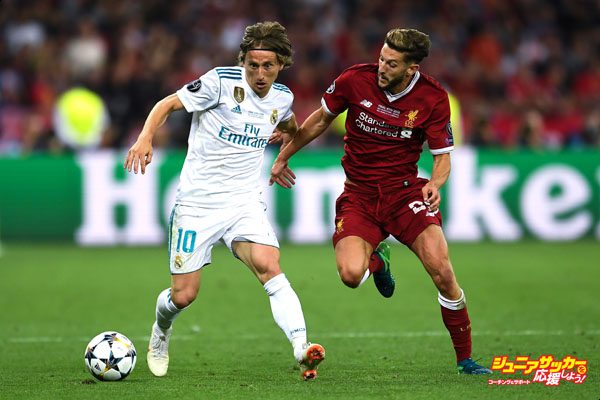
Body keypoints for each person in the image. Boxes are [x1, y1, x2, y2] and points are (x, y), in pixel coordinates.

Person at [270, 28, 492, 375]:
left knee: (442, 270)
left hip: (405, 194)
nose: (381, 68)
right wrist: (285, 155)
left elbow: (442, 155)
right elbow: (320, 120)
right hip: (358, 195)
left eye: (391, 63)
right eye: (381, 58)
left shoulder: (433, 98)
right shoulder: (354, 80)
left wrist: (435, 182)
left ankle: (465, 359)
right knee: (350, 275)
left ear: (412, 68)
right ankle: (379, 261)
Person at [124, 21, 324, 381]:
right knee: (183, 296)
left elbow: (289, 123)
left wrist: (286, 139)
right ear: (243, 61)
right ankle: (160, 331)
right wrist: (144, 138)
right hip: (197, 205)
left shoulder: (283, 97)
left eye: (268, 66)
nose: (259, 74)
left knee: (270, 267)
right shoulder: (219, 82)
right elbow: (167, 104)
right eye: (252, 65)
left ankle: (302, 348)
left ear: (281, 65)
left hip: (243, 203)